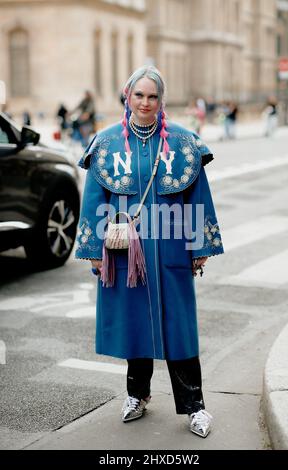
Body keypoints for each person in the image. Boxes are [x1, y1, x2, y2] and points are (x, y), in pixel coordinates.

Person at [75, 65, 224, 438]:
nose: (145, 102)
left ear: (162, 100)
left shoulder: (183, 142)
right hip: (126, 252)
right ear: (128, 96)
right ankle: (136, 395)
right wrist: (94, 249)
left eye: (152, 96)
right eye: (138, 95)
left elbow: (198, 197)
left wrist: (200, 245)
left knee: (180, 329)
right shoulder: (105, 143)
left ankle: (195, 406)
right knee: (135, 325)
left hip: (171, 248)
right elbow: (94, 200)